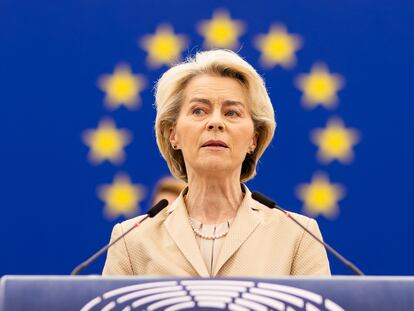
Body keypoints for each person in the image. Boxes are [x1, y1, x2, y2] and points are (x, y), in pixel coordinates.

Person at [103, 49, 330, 277]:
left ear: (254, 138)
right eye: (199, 110)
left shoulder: (298, 236)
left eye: (232, 113)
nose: (215, 123)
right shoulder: (132, 240)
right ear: (173, 134)